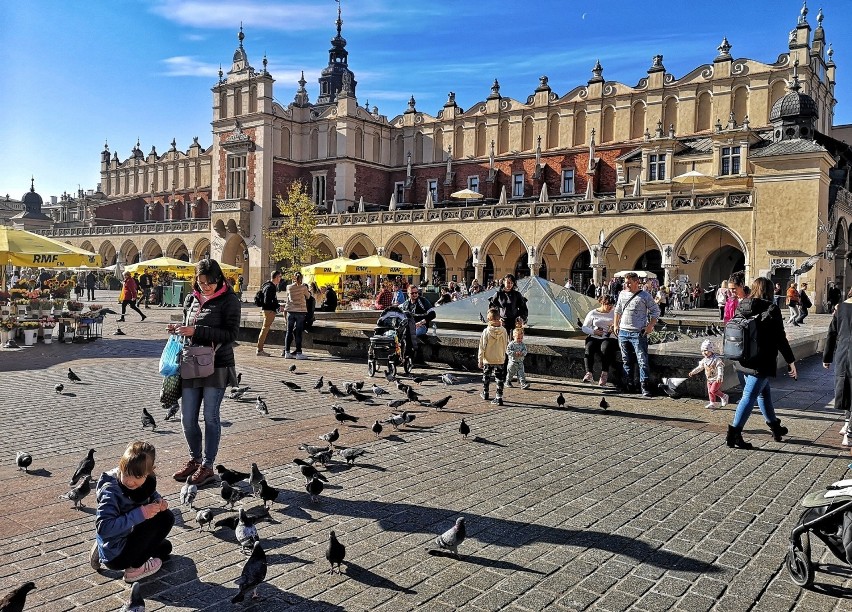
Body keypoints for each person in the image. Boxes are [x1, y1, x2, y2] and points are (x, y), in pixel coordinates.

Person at [170, 258, 240, 485]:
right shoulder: (191, 298)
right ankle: (194, 459)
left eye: (209, 282)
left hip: (217, 364)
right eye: (201, 282)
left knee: (210, 417)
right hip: (191, 362)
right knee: (187, 418)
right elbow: (188, 326)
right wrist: (180, 330)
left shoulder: (230, 300)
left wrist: (196, 330)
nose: (205, 287)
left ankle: (208, 465)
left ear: (218, 279)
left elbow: (231, 335)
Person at [727, 277, 797, 449]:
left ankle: (775, 428)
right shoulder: (772, 308)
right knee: (749, 397)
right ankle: (734, 434)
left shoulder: (743, 305)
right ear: (771, 290)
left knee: (763, 394)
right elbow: (780, 338)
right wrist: (791, 361)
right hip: (761, 362)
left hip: (741, 358)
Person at [92, 441, 174, 583]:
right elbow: (103, 527)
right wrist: (142, 513)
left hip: (126, 533)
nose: (130, 481)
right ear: (121, 465)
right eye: (126, 474)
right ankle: (134, 570)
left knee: (165, 548)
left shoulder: (146, 480)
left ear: (149, 472)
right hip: (116, 554)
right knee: (166, 518)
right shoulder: (110, 490)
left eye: (137, 477)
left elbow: (149, 493)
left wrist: (158, 501)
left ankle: (101, 547)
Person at [613, 272, 660, 397]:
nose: (626, 284)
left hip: (638, 333)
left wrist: (650, 326)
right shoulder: (622, 294)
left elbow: (656, 311)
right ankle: (628, 385)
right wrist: (616, 325)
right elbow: (617, 310)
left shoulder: (645, 296)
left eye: (629, 282)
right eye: (625, 282)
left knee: (642, 360)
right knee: (626, 360)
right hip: (623, 332)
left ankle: (644, 386)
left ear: (636, 282)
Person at [824, 287, 852, 448]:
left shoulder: (840, 308)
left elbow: (831, 333)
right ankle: (849, 433)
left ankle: (846, 423)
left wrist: (827, 357)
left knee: (846, 389)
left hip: (842, 354)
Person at [581, 294, 617, 387]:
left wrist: (614, 328)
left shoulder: (614, 313)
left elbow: (620, 325)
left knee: (605, 348)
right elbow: (584, 327)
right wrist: (594, 331)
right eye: (608, 304)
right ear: (602, 303)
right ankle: (589, 373)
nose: (610, 307)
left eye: (612, 304)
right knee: (589, 347)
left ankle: (604, 374)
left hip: (609, 337)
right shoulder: (593, 313)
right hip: (595, 336)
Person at [478, 308, 508, 406]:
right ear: (499, 318)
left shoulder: (486, 331)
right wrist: (503, 355)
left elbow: (482, 347)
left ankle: (485, 393)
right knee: (499, 378)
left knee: (486, 376)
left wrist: (480, 360)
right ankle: (499, 397)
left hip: (488, 359)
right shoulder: (503, 331)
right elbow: (505, 344)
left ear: (488, 319)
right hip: (499, 358)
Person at [688, 339, 729, 409]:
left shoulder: (716, 359)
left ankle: (724, 396)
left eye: (706, 350)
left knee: (713, 390)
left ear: (711, 350)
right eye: (702, 351)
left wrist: (720, 376)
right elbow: (700, 367)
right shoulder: (704, 360)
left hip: (716, 378)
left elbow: (720, 368)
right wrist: (693, 372)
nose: (704, 352)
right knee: (710, 392)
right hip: (709, 379)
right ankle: (712, 403)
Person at [489, 274, 528, 340]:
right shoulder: (498, 294)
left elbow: (523, 308)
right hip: (502, 322)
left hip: (514, 322)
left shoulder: (517, 294)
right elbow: (492, 307)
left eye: (512, 283)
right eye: (508, 282)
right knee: (502, 342)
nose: (510, 285)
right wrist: (497, 319)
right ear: (504, 282)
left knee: (513, 342)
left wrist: (521, 318)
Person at [282, 271, 311, 359]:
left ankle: (287, 352)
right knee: (298, 332)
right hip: (300, 311)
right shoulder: (303, 287)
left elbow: (288, 296)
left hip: (290, 311)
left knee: (289, 331)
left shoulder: (289, 287)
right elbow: (308, 296)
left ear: (294, 278)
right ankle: (298, 353)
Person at [256, 270, 281, 357]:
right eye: (279, 277)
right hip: (268, 311)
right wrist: (276, 306)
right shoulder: (271, 287)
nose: (280, 279)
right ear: (276, 277)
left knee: (265, 329)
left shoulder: (266, 285)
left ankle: (260, 349)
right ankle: (260, 349)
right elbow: (268, 301)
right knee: (265, 329)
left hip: (266, 310)